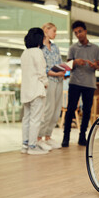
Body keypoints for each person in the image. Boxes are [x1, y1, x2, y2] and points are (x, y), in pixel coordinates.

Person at [62, 20, 99, 147]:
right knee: (71, 109)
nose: (78, 34)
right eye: (75, 33)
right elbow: (67, 66)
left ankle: (82, 136)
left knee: (86, 111)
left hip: (89, 84)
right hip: (75, 83)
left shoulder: (96, 48)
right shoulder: (72, 48)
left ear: (85, 31)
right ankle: (66, 137)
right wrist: (75, 61)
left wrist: (94, 65)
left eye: (80, 31)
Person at [20, 28, 49, 155]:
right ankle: (33, 146)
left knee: (26, 118)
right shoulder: (38, 52)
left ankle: (25, 145)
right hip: (37, 90)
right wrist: (46, 83)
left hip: (26, 91)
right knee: (35, 119)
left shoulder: (24, 53)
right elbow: (41, 72)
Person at [36, 22, 65, 150]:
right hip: (48, 82)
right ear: (46, 30)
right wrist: (55, 72)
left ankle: (48, 136)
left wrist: (64, 72)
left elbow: (59, 63)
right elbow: (42, 67)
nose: (55, 33)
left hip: (59, 81)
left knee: (56, 110)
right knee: (48, 109)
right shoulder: (39, 48)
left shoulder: (55, 47)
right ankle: (39, 138)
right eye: (54, 30)